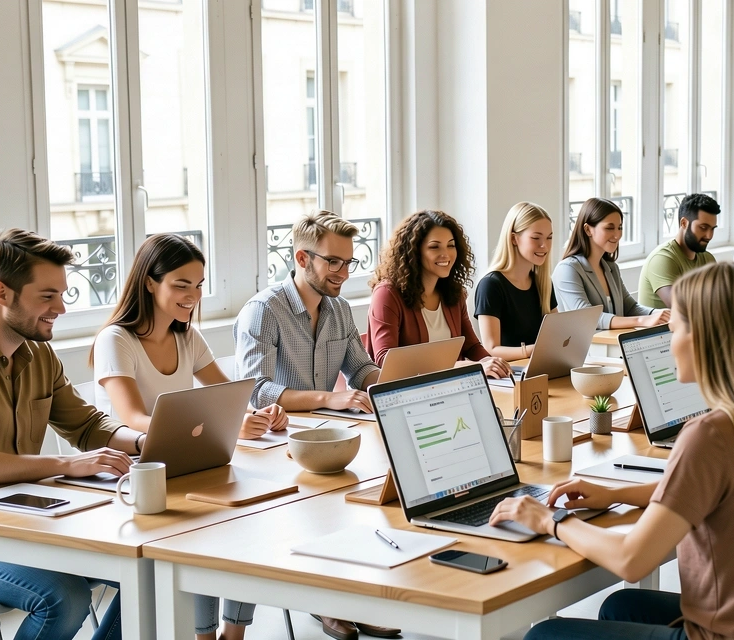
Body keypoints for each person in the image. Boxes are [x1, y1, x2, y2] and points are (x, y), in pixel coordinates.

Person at [491, 261, 734, 640]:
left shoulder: (711, 434)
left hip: (726, 635)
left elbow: (631, 560)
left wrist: (549, 520)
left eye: (675, 329)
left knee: (546, 635)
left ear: (707, 338)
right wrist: (618, 494)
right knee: (622, 607)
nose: (670, 343)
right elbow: (731, 493)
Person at [0, 229, 151, 640]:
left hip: (16, 524)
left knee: (147, 569)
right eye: (47, 296)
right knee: (63, 598)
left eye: (62, 295)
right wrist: (67, 463)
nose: (61, 308)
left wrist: (146, 442)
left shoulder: (37, 354)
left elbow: (86, 425)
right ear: (2, 293)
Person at [91, 234, 287, 640]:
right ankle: (201, 636)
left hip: (185, 465)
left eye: (198, 285)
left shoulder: (186, 337)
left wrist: (259, 414)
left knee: (247, 516)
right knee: (207, 533)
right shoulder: (117, 340)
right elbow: (131, 418)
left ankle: (233, 635)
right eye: (181, 285)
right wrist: (224, 424)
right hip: (134, 476)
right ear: (149, 282)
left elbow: (229, 397)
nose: (192, 295)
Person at [233, 212, 399, 640]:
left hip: (327, 438)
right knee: (335, 497)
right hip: (274, 444)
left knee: (372, 487)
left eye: (350, 262)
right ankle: (328, 602)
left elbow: (360, 368)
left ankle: (354, 596)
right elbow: (256, 390)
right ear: (302, 257)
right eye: (334, 263)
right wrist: (329, 398)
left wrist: (399, 382)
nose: (344, 273)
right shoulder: (263, 311)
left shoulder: (340, 309)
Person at [368, 210, 511, 379]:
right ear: (413, 252)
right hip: (406, 396)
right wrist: (456, 366)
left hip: (450, 389)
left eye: (451, 245)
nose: (446, 254)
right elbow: (385, 361)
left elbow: (471, 346)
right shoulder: (387, 294)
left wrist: (491, 363)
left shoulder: (454, 293)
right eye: (434, 247)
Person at [554, 197, 671, 330]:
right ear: (588, 230)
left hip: (612, 346)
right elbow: (586, 318)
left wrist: (660, 314)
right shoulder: (568, 269)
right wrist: (642, 320)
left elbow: (630, 307)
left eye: (619, 227)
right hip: (584, 350)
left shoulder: (611, 268)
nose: (617, 235)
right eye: (609, 228)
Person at [475, 202, 558, 362]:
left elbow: (557, 333)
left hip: (541, 367)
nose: (544, 246)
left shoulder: (543, 283)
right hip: (511, 375)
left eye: (549, 238)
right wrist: (532, 350)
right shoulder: (491, 285)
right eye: (536, 238)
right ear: (514, 238)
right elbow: (491, 349)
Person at [638, 192, 720, 308]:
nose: (709, 236)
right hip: (665, 326)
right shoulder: (662, 259)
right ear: (684, 223)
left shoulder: (708, 258)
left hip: (695, 325)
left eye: (712, 229)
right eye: (703, 228)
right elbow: (681, 308)